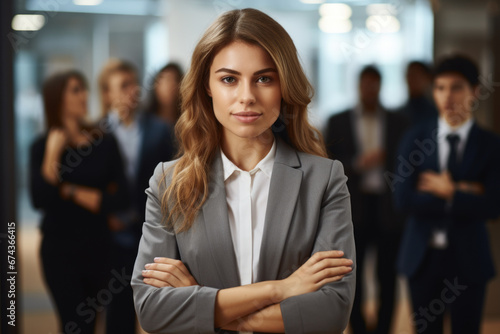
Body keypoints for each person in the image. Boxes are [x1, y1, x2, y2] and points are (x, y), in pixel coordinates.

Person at [131, 8, 356, 334]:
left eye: (264, 78)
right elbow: (152, 311)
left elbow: (331, 313)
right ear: (207, 86)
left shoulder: (325, 179)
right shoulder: (168, 182)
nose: (247, 97)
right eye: (229, 79)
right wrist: (281, 289)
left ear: (284, 86)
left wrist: (202, 308)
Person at [394, 55, 500, 334]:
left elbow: (493, 205)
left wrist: (449, 191)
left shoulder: (491, 145)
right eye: (440, 88)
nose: (447, 96)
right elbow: (403, 199)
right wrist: (465, 193)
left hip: (469, 259)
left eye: (456, 87)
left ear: (475, 92)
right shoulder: (414, 138)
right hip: (423, 258)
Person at [29, 70, 128, 334]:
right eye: (75, 90)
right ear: (57, 98)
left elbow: (120, 198)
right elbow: (40, 199)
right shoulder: (42, 146)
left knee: (96, 322)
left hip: (99, 248)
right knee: (74, 324)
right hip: (59, 251)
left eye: (84, 89)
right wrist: (53, 152)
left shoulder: (103, 142)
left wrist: (69, 190)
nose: (84, 95)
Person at [324, 66, 408, 334]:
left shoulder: (399, 121)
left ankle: (383, 329)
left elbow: (409, 164)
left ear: (380, 86)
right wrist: (358, 163)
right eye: (365, 84)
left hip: (388, 209)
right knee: (351, 275)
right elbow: (326, 163)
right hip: (352, 209)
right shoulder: (338, 120)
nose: (370, 89)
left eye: (375, 84)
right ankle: (358, 328)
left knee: (387, 277)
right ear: (358, 86)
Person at [98, 59, 176, 334]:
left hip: (148, 228)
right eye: (123, 85)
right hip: (108, 232)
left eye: (133, 84)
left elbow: (170, 182)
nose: (132, 91)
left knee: (155, 309)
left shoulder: (159, 129)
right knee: (115, 311)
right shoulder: (95, 132)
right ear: (107, 93)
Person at [400, 61, 438, 126]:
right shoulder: (400, 113)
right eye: (409, 75)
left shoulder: (434, 113)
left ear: (428, 79)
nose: (411, 80)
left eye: (416, 76)